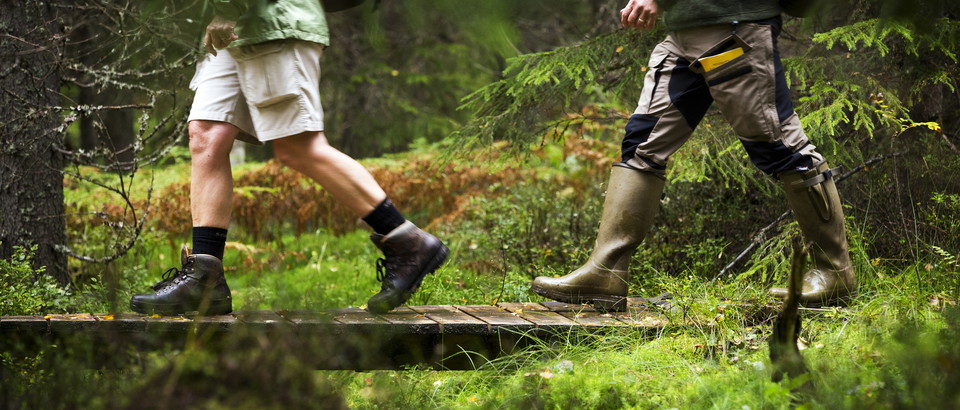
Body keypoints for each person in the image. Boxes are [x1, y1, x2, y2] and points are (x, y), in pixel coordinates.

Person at [531, 0, 855, 310]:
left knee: (780, 147)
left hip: (733, 33)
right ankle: (607, 271)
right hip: (685, 32)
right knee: (642, 145)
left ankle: (834, 272)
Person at [130, 0, 448, 316]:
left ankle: (406, 240)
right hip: (238, 23)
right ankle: (205, 276)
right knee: (206, 135)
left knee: (298, 145)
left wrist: (231, 8)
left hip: (274, 20)